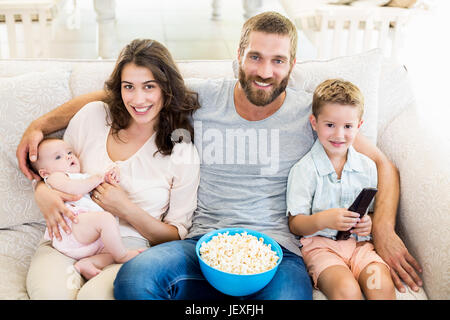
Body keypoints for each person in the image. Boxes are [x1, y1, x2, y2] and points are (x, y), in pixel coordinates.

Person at [16, 12, 421, 298]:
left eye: (277, 60)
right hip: (200, 243)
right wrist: (40, 126)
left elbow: (383, 163)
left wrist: (383, 230)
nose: (264, 71)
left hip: (277, 251)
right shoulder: (203, 100)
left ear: (292, 65)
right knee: (134, 282)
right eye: (255, 57)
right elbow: (121, 94)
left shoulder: (311, 116)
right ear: (239, 56)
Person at [22, 39, 201, 299]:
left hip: (124, 248)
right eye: (129, 87)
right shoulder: (93, 116)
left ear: (167, 89)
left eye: (149, 87)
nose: (138, 99)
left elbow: (175, 235)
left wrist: (124, 207)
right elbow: (53, 169)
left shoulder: (181, 151)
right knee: (49, 295)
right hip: (67, 234)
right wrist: (42, 192)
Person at [287, 79, 396, 299]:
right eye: (330, 125)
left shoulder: (367, 166)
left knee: (380, 286)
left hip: (360, 247)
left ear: (359, 126)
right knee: (347, 291)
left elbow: (371, 212)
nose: (339, 135)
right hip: (322, 248)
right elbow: (295, 224)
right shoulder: (305, 170)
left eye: (348, 127)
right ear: (314, 123)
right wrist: (324, 220)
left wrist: (369, 223)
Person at [30, 137, 144, 280]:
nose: (68, 156)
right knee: (106, 220)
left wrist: (109, 178)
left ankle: (87, 263)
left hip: (89, 236)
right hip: (72, 228)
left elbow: (95, 185)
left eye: (69, 152)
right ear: (44, 173)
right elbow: (76, 190)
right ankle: (123, 256)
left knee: (111, 250)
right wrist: (96, 179)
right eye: (58, 157)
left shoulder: (82, 176)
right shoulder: (55, 178)